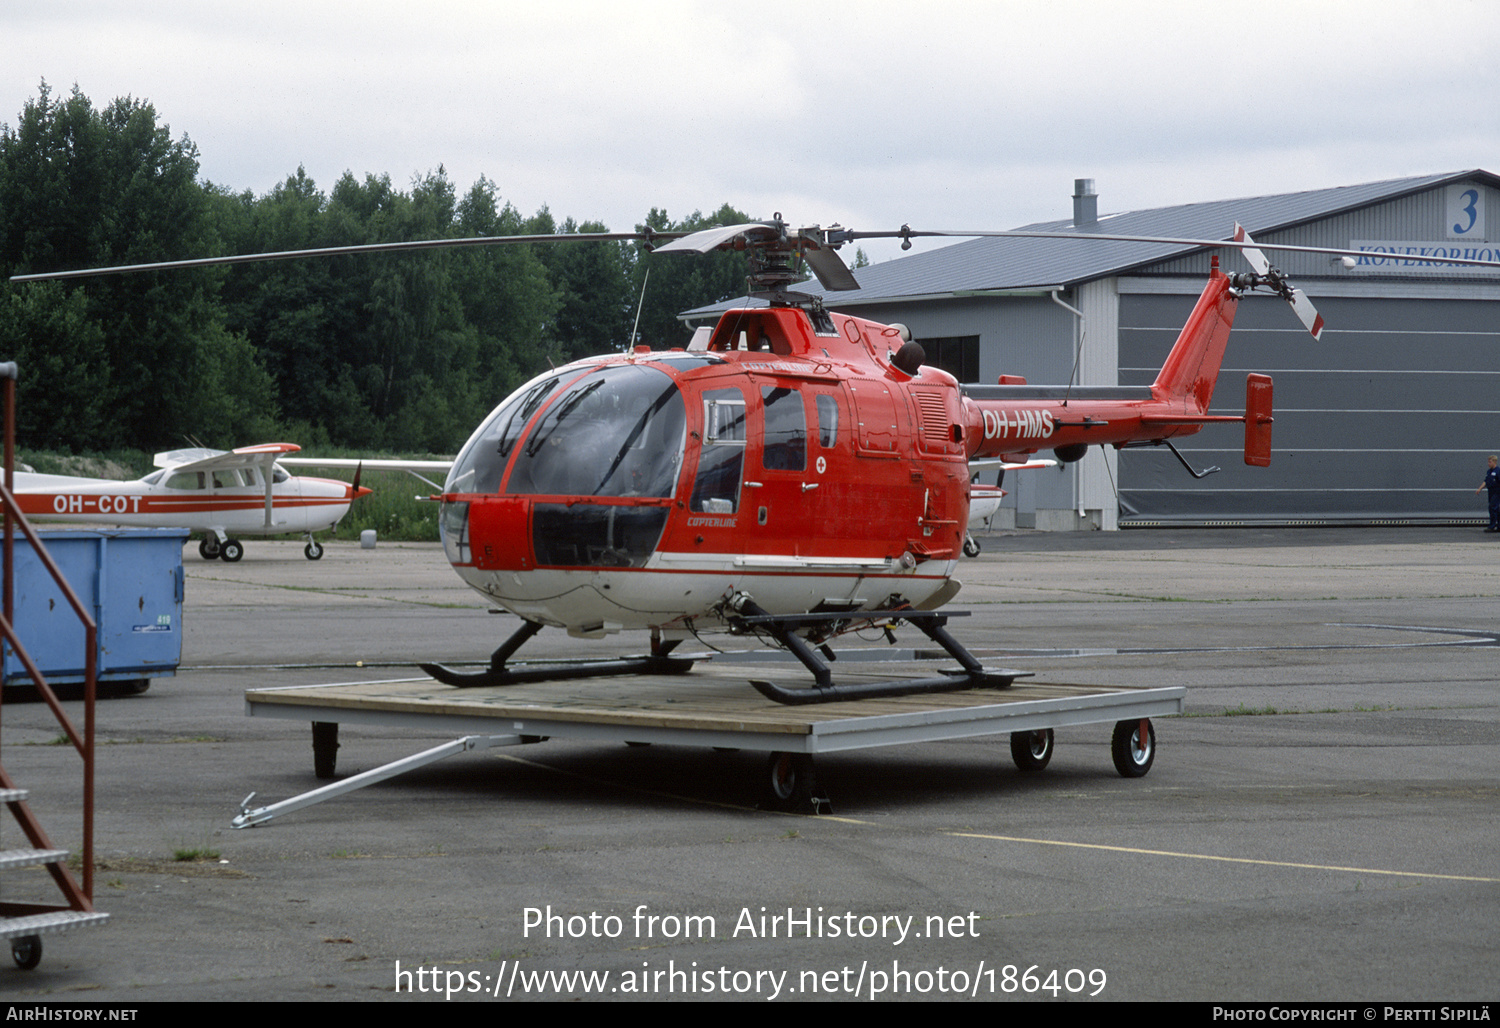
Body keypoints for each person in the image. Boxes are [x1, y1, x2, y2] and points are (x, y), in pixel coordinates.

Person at [1476, 455, 1500, 532]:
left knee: (1492, 507)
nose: (1488, 463)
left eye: (1490, 462)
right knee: (1496, 509)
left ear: (1494, 462)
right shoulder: (1489, 471)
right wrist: (1480, 488)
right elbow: (1486, 481)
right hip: (1491, 492)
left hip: (1497, 491)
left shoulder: (1498, 471)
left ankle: (1492, 526)